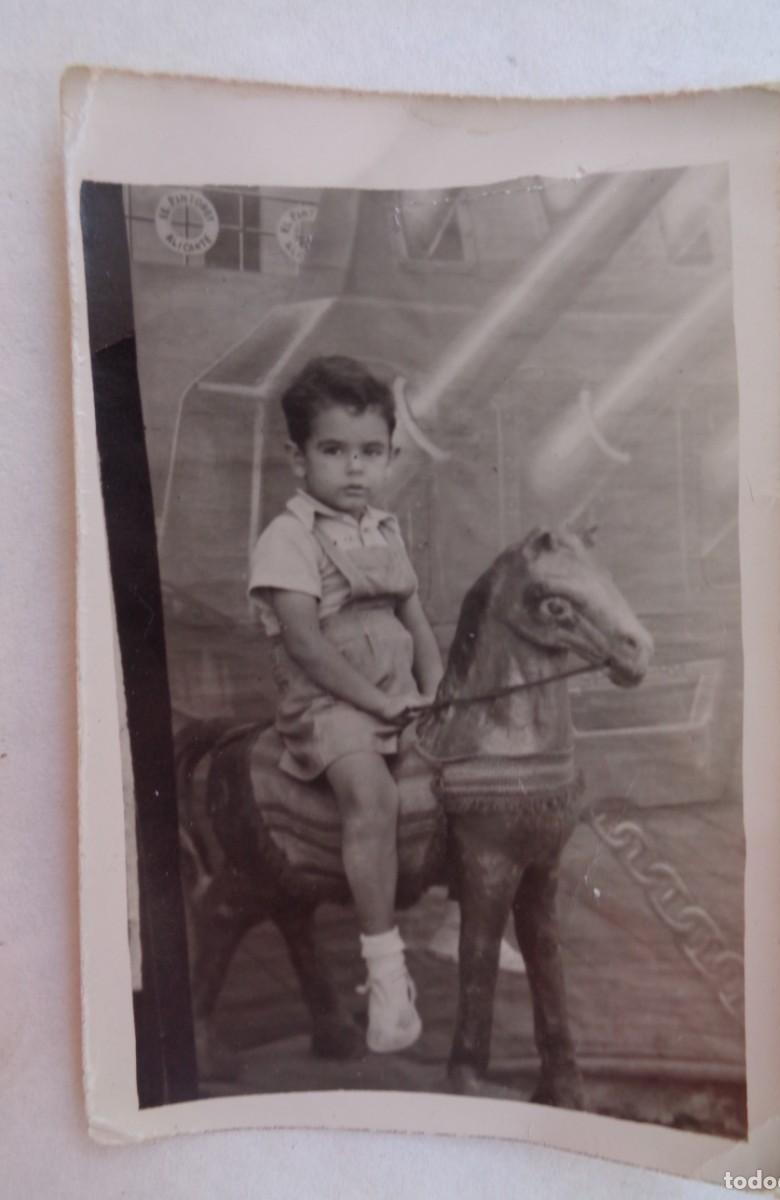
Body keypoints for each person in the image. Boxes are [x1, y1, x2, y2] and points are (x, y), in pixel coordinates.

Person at [248, 355, 443, 1053]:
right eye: (333, 451)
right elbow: (306, 645)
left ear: (389, 455)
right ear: (297, 458)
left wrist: (435, 694)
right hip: (329, 703)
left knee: (460, 784)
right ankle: (385, 968)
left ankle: (447, 918)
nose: (354, 469)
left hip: (397, 697)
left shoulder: (386, 531)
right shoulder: (289, 538)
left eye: (370, 453)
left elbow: (417, 624)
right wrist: (374, 702)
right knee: (374, 798)